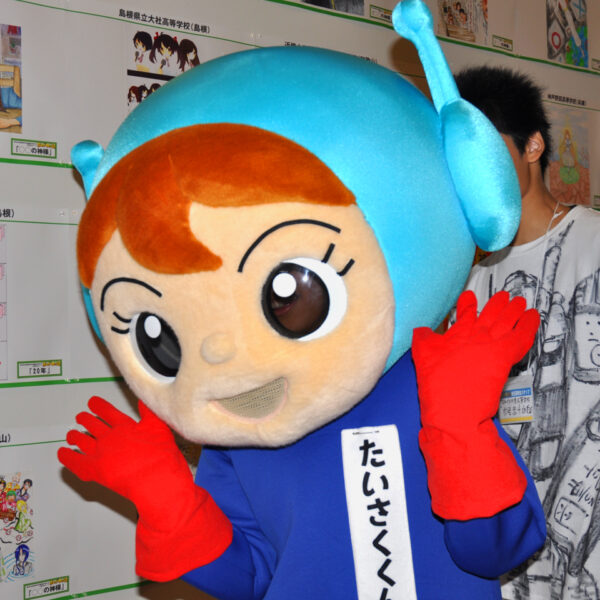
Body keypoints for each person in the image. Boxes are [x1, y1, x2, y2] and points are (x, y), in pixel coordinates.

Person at [455, 65, 600, 600]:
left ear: (533, 146)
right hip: (511, 551)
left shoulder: (593, 242)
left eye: (487, 151)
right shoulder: (469, 279)